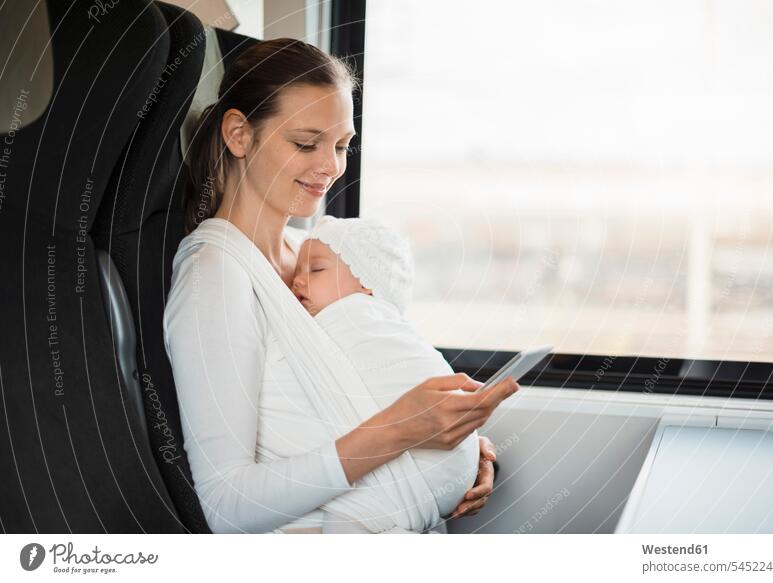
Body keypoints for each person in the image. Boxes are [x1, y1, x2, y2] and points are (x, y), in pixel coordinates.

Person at [163, 38, 519, 534]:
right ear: (240, 135)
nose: (331, 166)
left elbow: (369, 381)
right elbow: (227, 505)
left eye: (342, 145)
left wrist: (462, 445)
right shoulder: (216, 279)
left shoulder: (321, 251)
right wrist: (402, 432)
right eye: (306, 144)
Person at [279, 215, 481, 531]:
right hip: (448, 475)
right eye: (296, 273)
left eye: (316, 270)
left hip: (430, 472)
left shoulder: (355, 314)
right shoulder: (382, 323)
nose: (297, 282)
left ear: (366, 281)